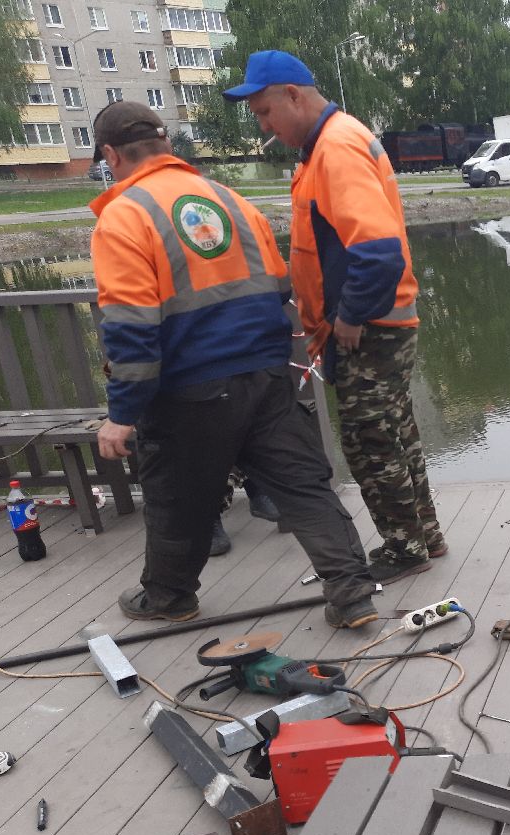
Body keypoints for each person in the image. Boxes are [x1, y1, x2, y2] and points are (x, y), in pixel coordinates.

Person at [88, 100, 377, 628]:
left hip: (190, 390)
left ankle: (170, 597)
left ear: (110, 154)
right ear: (167, 146)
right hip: (267, 375)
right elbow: (280, 286)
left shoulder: (125, 215)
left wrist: (121, 414)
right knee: (303, 486)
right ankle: (353, 592)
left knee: (177, 496)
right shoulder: (231, 201)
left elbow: (131, 328)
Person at [223, 50, 447, 584]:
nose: (265, 126)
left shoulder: (337, 148)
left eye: (264, 112)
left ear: (293, 95)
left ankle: (403, 549)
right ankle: (424, 536)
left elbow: (378, 249)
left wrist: (348, 317)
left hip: (367, 329)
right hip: (378, 324)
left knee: (370, 443)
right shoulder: (327, 144)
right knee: (395, 433)